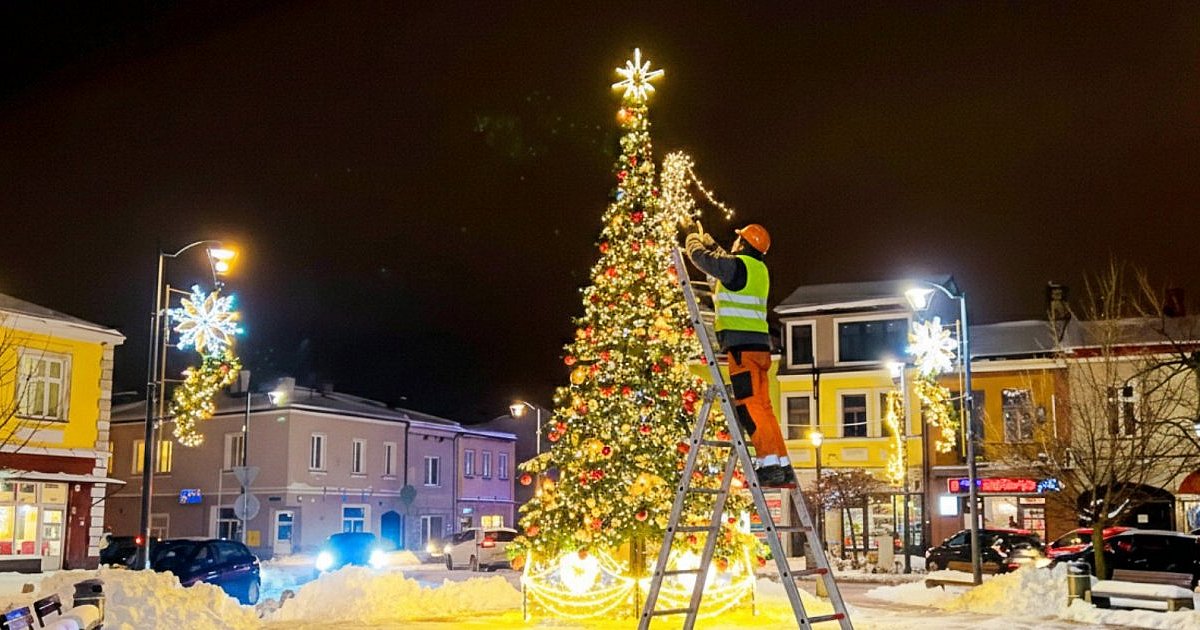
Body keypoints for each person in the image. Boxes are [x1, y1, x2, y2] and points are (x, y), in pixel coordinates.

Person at [681, 218, 795, 488]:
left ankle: (768, 465)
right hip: (760, 350)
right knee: (765, 408)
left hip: (741, 351)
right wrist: (710, 240)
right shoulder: (757, 269)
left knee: (750, 408)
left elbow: (702, 259)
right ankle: (782, 464)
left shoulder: (737, 267)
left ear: (742, 242)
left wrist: (692, 239)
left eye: (738, 239)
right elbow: (726, 262)